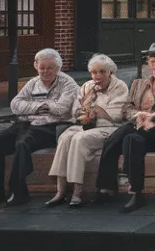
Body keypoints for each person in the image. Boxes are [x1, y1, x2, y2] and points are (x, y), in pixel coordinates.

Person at [0, 48, 80, 207]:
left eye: (50, 68)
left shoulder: (68, 84)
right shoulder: (33, 83)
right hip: (26, 124)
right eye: (42, 67)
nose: (45, 71)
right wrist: (43, 107)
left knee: (22, 144)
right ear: (36, 66)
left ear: (58, 68)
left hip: (53, 127)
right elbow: (15, 105)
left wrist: (31, 106)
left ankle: (18, 192)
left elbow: (61, 109)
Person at [93, 43, 155, 212]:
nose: (150, 64)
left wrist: (152, 116)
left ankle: (124, 190)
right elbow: (127, 108)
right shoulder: (139, 83)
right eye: (149, 60)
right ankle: (115, 190)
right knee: (121, 138)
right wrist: (138, 114)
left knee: (128, 136)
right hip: (139, 125)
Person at [46, 54, 131, 208]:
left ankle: (78, 193)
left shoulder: (120, 86)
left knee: (80, 139)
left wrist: (97, 111)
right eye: (94, 72)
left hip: (110, 128)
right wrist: (83, 112)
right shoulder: (87, 86)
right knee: (66, 137)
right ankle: (60, 191)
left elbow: (118, 115)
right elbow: (76, 110)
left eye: (102, 72)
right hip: (87, 126)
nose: (97, 76)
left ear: (110, 72)